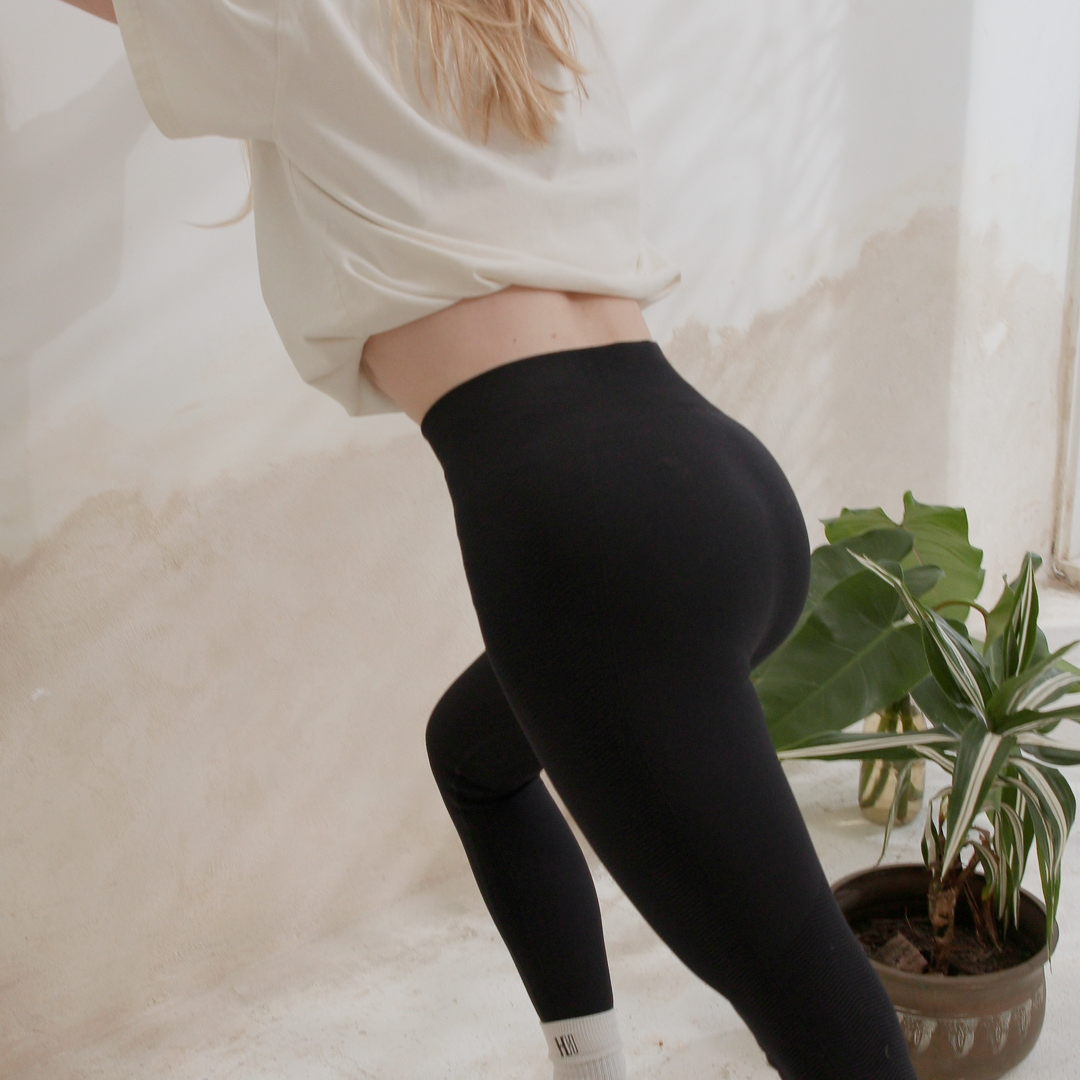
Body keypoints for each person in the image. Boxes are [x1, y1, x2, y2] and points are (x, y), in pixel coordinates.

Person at [58, 2, 918, 1077]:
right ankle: (587, 1065)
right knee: (474, 758)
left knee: (809, 997)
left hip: (593, 538)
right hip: (720, 482)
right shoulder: (539, 18)